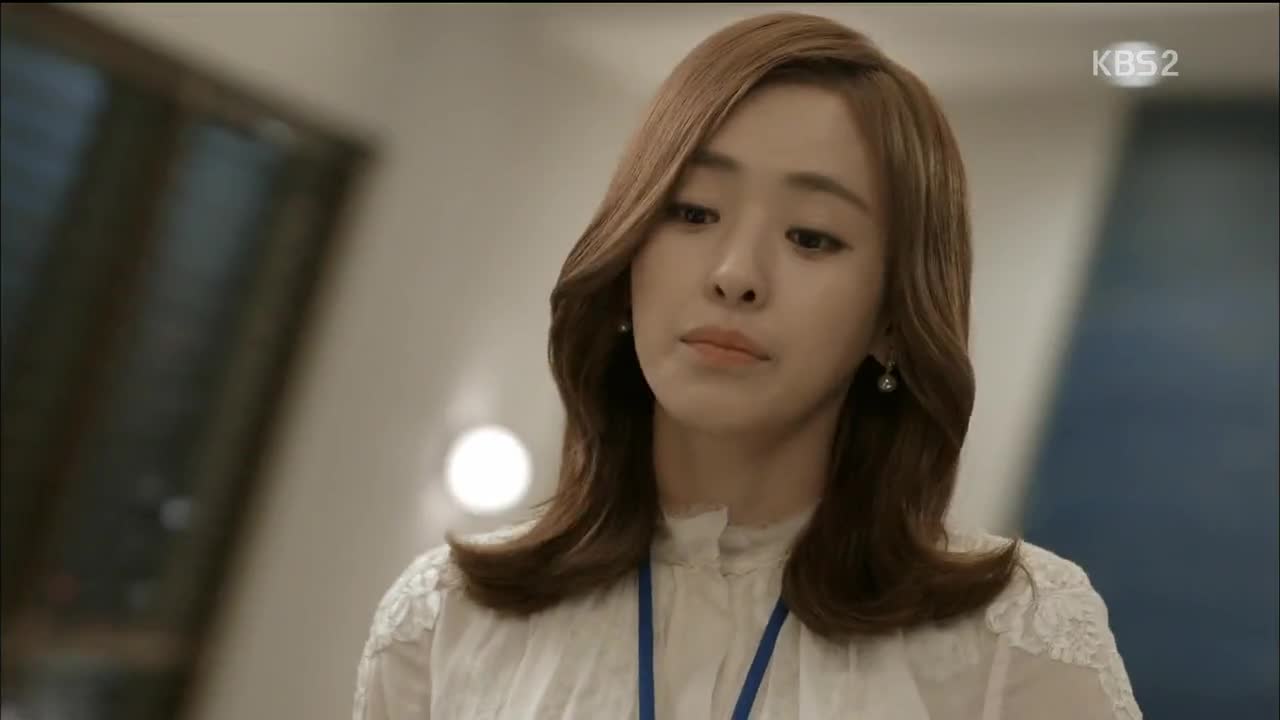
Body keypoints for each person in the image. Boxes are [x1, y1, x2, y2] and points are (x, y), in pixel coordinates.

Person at [353, 12, 1142, 720]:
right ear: (626, 258)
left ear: (894, 320)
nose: (736, 274)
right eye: (693, 212)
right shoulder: (446, 620)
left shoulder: (1013, 642)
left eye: (812, 237)